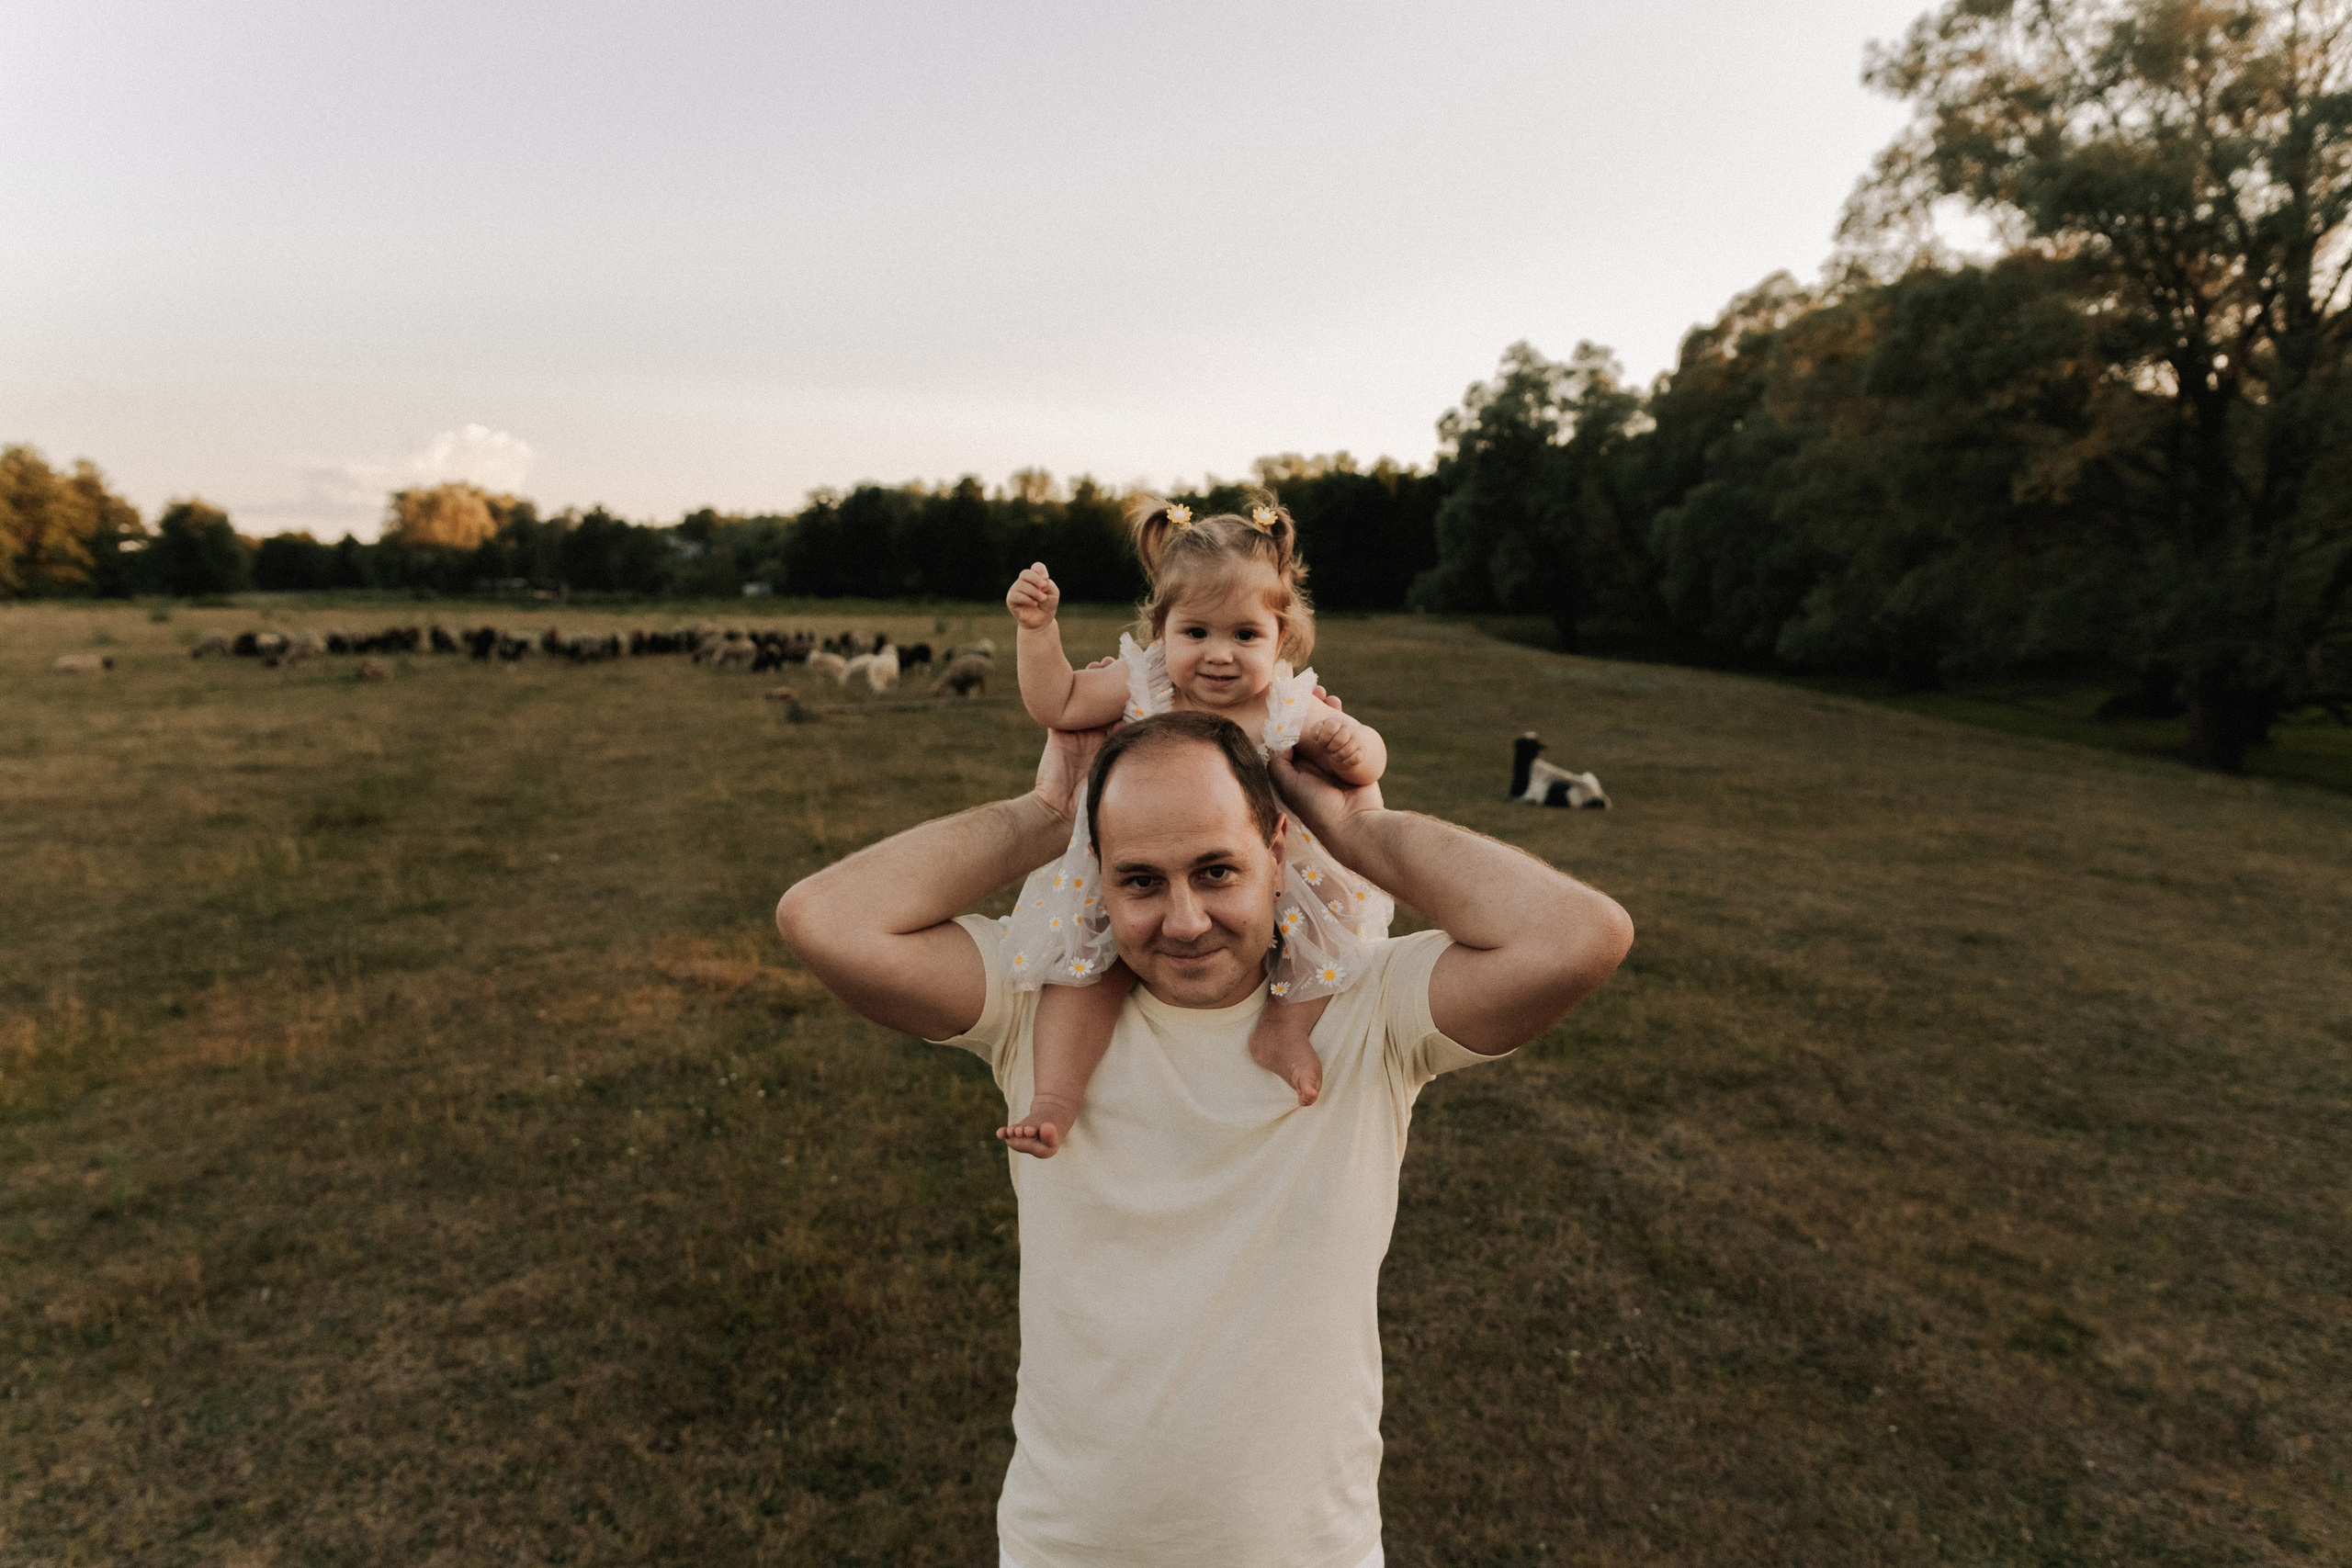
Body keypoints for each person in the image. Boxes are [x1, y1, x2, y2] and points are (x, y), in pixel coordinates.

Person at [775, 705, 1633, 1568]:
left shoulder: (1369, 1005)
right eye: (1140, 881)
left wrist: (1362, 827)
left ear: (1278, 854)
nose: (1184, 921)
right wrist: (1045, 812)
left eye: (1217, 871)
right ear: (1097, 878)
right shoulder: (1037, 1004)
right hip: (1070, 1551)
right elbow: (825, 918)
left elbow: (1580, 935)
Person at [996, 493, 1386, 1156]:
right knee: (1084, 970)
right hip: (1141, 865)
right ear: (1160, 632)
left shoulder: (1286, 703)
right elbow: (1056, 700)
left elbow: (1364, 748)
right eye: (1196, 632)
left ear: (1281, 638)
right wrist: (1038, 631)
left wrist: (1359, 749)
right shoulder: (1145, 684)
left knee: (1336, 924)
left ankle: (1285, 1029)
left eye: (1245, 635)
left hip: (1265, 867)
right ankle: (1055, 1094)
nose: (1219, 655)